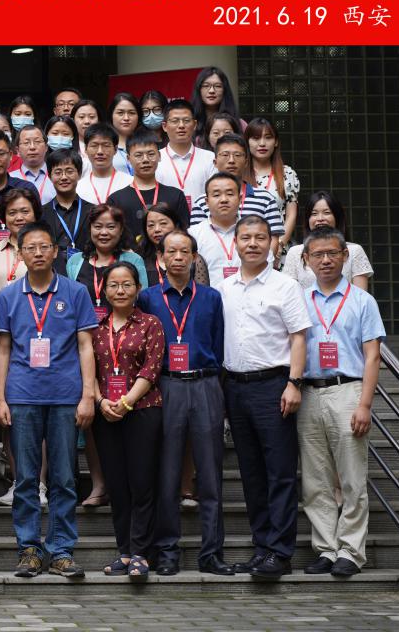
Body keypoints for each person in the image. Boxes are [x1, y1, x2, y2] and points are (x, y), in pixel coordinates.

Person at [0, 221, 97, 579]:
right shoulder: (8, 295)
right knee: (25, 478)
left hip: (65, 396)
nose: (37, 253)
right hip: (22, 395)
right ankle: (29, 549)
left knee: (64, 477)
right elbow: (3, 349)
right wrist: (0, 397)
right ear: (20, 253)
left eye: (44, 247)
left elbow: (85, 346)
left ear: (55, 251)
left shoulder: (75, 292)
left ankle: (61, 549)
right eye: (30, 247)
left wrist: (88, 394)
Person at [217, 215, 311, 580]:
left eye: (260, 237)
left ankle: (281, 552)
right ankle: (262, 548)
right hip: (235, 388)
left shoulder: (285, 286)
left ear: (271, 243)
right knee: (251, 473)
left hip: (274, 386)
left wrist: (294, 383)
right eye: (246, 238)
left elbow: (298, 337)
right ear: (235, 243)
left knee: (280, 472)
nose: (253, 244)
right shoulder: (224, 288)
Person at [139, 229, 231, 576]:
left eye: (184, 252)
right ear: (161, 259)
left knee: (210, 473)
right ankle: (167, 551)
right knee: (167, 473)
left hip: (205, 382)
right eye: (171, 252)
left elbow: (218, 344)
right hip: (165, 385)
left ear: (194, 258)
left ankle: (212, 552)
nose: (178, 258)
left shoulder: (211, 298)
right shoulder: (148, 298)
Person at [297, 226, 384, 577]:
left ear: (345, 256)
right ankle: (326, 548)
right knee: (314, 479)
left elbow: (373, 356)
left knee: (351, 477)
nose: (325, 260)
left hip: (348, 390)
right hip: (308, 392)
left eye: (332, 253)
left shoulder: (362, 301)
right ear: (306, 260)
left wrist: (365, 404)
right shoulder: (299, 299)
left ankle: (350, 550)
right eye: (318, 254)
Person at [89, 262, 166, 581]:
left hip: (143, 409)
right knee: (117, 485)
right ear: (104, 291)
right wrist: (100, 401)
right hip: (105, 413)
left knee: (142, 483)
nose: (120, 291)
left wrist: (126, 402)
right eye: (114, 285)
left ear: (137, 288)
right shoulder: (95, 327)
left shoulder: (150, 323)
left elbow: (152, 368)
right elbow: (89, 370)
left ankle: (141, 553)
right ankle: (124, 550)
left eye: (126, 285)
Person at [188, 135, 285, 255]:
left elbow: (273, 238)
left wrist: (263, 263)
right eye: (225, 155)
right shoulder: (202, 201)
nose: (231, 160)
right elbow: (195, 241)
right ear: (215, 162)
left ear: (246, 162)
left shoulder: (265, 199)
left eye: (237, 155)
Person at [66, 205, 151, 321]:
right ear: (90, 229)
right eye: (98, 226)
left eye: (111, 227)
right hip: (84, 328)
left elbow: (142, 300)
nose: (104, 232)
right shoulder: (75, 261)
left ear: (121, 230)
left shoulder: (133, 260)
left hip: (125, 328)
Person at [109, 129, 190, 249]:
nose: (145, 160)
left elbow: (184, 235)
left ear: (159, 156)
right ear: (128, 159)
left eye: (151, 154)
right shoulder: (116, 200)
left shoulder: (176, 196)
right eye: (138, 155)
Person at [282, 192, 373, 291]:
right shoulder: (295, 252)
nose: (320, 218)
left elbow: (361, 295)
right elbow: (289, 294)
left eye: (326, 213)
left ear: (337, 217)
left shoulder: (354, 251)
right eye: (314, 214)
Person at [245, 118, 301, 249]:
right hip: (246, 247)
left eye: (268, 137)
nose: (262, 143)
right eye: (256, 138)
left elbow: (291, 215)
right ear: (247, 141)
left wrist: (279, 245)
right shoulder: (239, 173)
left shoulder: (287, 173)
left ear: (276, 142)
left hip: (279, 248)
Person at [153, 98, 217, 213]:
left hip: (203, 220)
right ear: (164, 126)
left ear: (195, 124)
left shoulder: (209, 158)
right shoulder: (155, 159)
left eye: (186, 120)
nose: (181, 125)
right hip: (166, 221)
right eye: (175, 121)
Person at [188, 172, 249, 281]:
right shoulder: (193, 235)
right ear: (207, 201)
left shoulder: (253, 233)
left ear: (240, 199)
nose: (224, 200)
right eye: (216, 195)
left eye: (230, 194)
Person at [0, 188, 42, 295]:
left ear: (35, 214)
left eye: (25, 212)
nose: (19, 218)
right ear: (4, 218)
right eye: (12, 213)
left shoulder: (46, 249)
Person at [142, 204, 211, 287]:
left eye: (163, 223)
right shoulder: (140, 259)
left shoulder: (194, 259)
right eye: (151, 225)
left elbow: (204, 293)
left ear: (175, 225)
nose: (157, 229)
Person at [40, 148, 89, 264]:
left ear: (79, 174)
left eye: (69, 171)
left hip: (85, 270)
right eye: (58, 172)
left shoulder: (92, 211)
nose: (64, 177)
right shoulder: (41, 213)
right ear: (49, 176)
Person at [76, 124, 132, 206]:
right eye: (94, 146)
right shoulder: (78, 188)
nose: (100, 152)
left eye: (106, 145)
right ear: (85, 149)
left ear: (115, 149)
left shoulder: (130, 183)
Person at [191, 67, 244, 143]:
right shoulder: (190, 123)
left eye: (217, 86)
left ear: (225, 90)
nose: (211, 91)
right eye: (206, 86)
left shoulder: (240, 124)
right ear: (199, 90)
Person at [8, 126, 54, 204]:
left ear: (46, 147)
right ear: (18, 150)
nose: (32, 147)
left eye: (37, 142)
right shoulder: (9, 178)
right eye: (26, 143)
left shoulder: (58, 176)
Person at [107, 93, 140, 176]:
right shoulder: (104, 144)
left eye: (131, 113)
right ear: (111, 115)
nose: (126, 118)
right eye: (120, 113)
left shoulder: (147, 142)